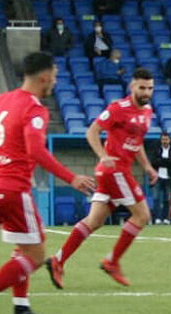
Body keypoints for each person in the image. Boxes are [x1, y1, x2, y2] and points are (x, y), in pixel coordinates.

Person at [0, 52, 95, 314]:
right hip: (12, 190)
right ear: (45, 77)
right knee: (36, 255)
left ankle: (21, 309)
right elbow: (35, 150)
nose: (55, 83)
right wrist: (71, 178)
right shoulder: (35, 109)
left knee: (23, 248)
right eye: (55, 77)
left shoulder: (2, 100)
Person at [46, 68, 158, 289]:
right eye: (142, 87)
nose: (146, 92)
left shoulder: (147, 112)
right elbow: (92, 132)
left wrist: (147, 166)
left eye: (150, 88)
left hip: (117, 172)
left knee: (94, 221)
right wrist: (103, 156)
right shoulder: (118, 108)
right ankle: (112, 261)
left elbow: (137, 142)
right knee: (142, 215)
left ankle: (57, 260)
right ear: (132, 86)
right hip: (114, 171)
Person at [150, 132, 171, 224]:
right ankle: (157, 218)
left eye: (166, 139)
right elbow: (153, 162)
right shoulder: (156, 150)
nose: (165, 141)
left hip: (168, 178)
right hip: (158, 177)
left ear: (169, 140)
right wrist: (167, 162)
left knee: (167, 199)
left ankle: (166, 218)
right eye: (163, 139)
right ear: (161, 140)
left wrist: (161, 160)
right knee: (156, 198)